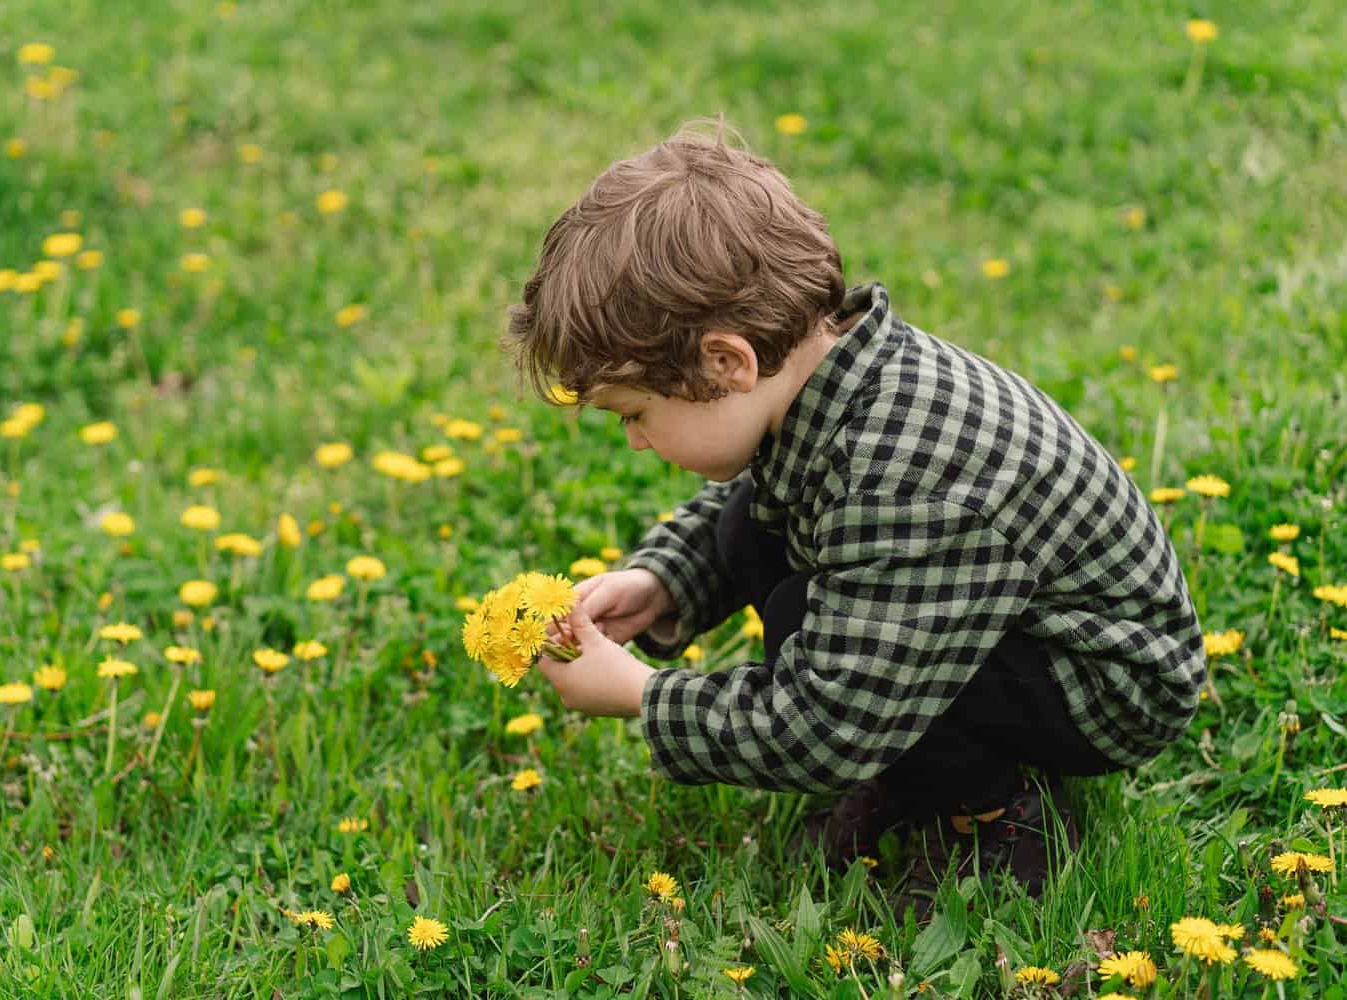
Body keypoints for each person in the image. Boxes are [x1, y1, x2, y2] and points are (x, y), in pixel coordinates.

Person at [501, 116, 1205, 919]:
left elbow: (827, 723)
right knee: (755, 521)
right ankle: (913, 770)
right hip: (999, 613)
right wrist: (660, 583)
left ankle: (994, 827)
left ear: (727, 363)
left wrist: (644, 696)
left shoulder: (903, 480)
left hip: (1102, 682)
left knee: (822, 632)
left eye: (635, 413)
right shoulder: (831, 382)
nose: (634, 442)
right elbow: (754, 508)